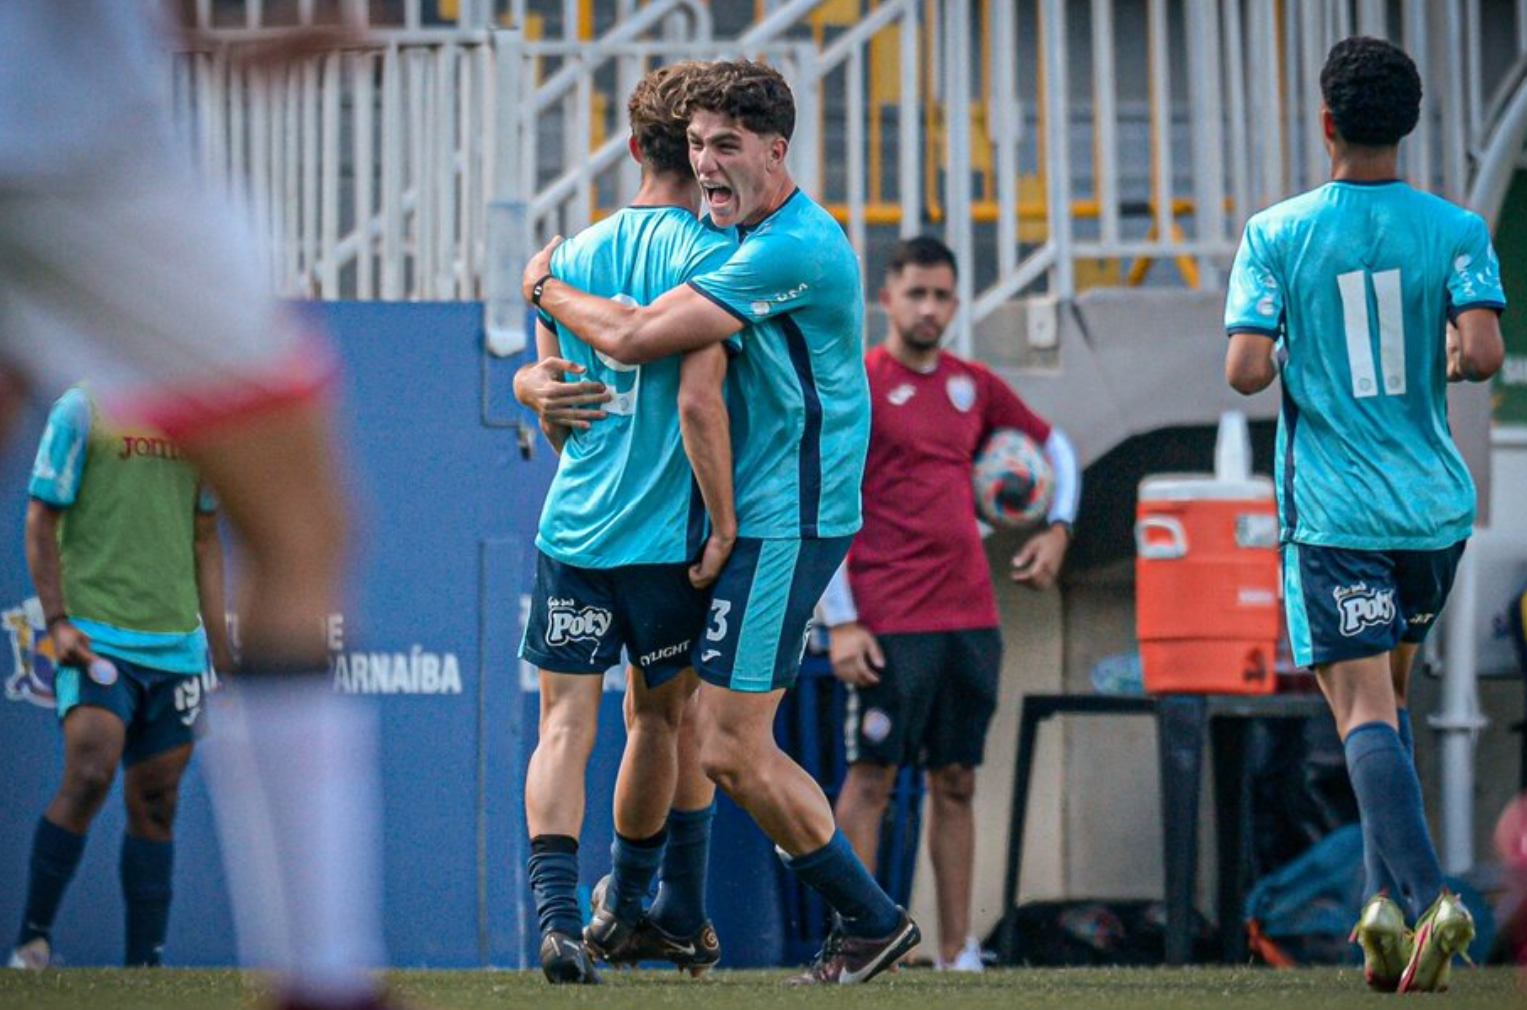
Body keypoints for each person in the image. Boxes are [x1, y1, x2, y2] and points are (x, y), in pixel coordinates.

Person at [0, 5, 390, 1008]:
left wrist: (206, 45)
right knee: (306, 532)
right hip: (86, 170)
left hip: (67, 149)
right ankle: (324, 976)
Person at [523, 59, 920, 984]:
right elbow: (579, 379)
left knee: (724, 743)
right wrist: (530, 377)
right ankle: (652, 910)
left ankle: (868, 920)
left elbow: (626, 346)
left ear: (776, 151)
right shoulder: (730, 234)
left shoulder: (789, 248)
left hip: (786, 516)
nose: (708, 164)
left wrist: (540, 286)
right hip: (747, 515)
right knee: (680, 722)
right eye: (697, 144)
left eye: (727, 147)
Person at [1224, 35, 1505, 994]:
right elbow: (1483, 351)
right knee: (1386, 703)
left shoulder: (1278, 231)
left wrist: (1291, 349)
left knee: (1359, 713)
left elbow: (1245, 369)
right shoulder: (1457, 227)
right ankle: (1385, 920)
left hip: (1337, 514)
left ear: (1325, 121)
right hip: (1432, 511)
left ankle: (1432, 901)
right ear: (1409, 124)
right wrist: (1445, 359)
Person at [511, 61, 736, 984]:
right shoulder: (713, 253)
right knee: (659, 725)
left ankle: (560, 922)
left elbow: (552, 409)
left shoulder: (563, 258)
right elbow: (699, 404)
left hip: (573, 528)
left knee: (563, 724)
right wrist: (721, 523)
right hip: (663, 538)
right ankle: (632, 903)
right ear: (690, 148)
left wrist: (533, 387)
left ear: (631, 147)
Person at [817, 236, 1079, 970]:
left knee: (956, 781)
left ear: (956, 303)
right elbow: (826, 501)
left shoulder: (974, 384)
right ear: (887, 299)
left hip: (969, 618)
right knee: (870, 780)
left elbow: (1056, 448)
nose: (928, 308)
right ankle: (859, 942)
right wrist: (839, 619)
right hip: (886, 621)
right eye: (915, 294)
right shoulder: (860, 384)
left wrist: (1059, 529)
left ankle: (958, 948)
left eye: (941, 295)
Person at [8, 385, 232, 969]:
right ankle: (32, 943)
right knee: (89, 769)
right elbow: (40, 517)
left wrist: (222, 650)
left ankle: (145, 968)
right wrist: (56, 620)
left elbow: (205, 537)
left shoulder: (201, 416)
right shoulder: (80, 408)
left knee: (157, 802)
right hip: (95, 635)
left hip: (177, 647)